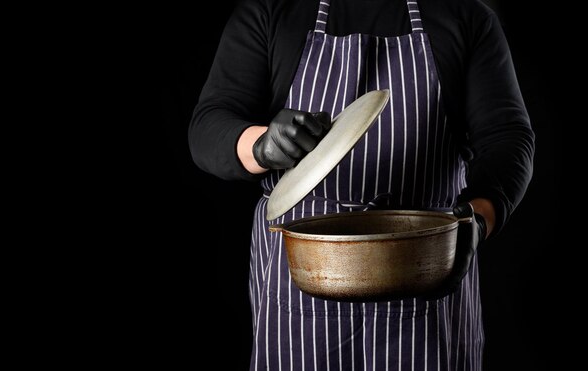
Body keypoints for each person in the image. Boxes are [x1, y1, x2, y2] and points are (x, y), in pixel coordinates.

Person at [189, 0, 534, 369]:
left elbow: (506, 137)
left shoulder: (464, 16)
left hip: (424, 258)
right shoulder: (271, 12)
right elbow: (208, 127)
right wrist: (262, 144)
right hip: (303, 269)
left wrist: (476, 222)